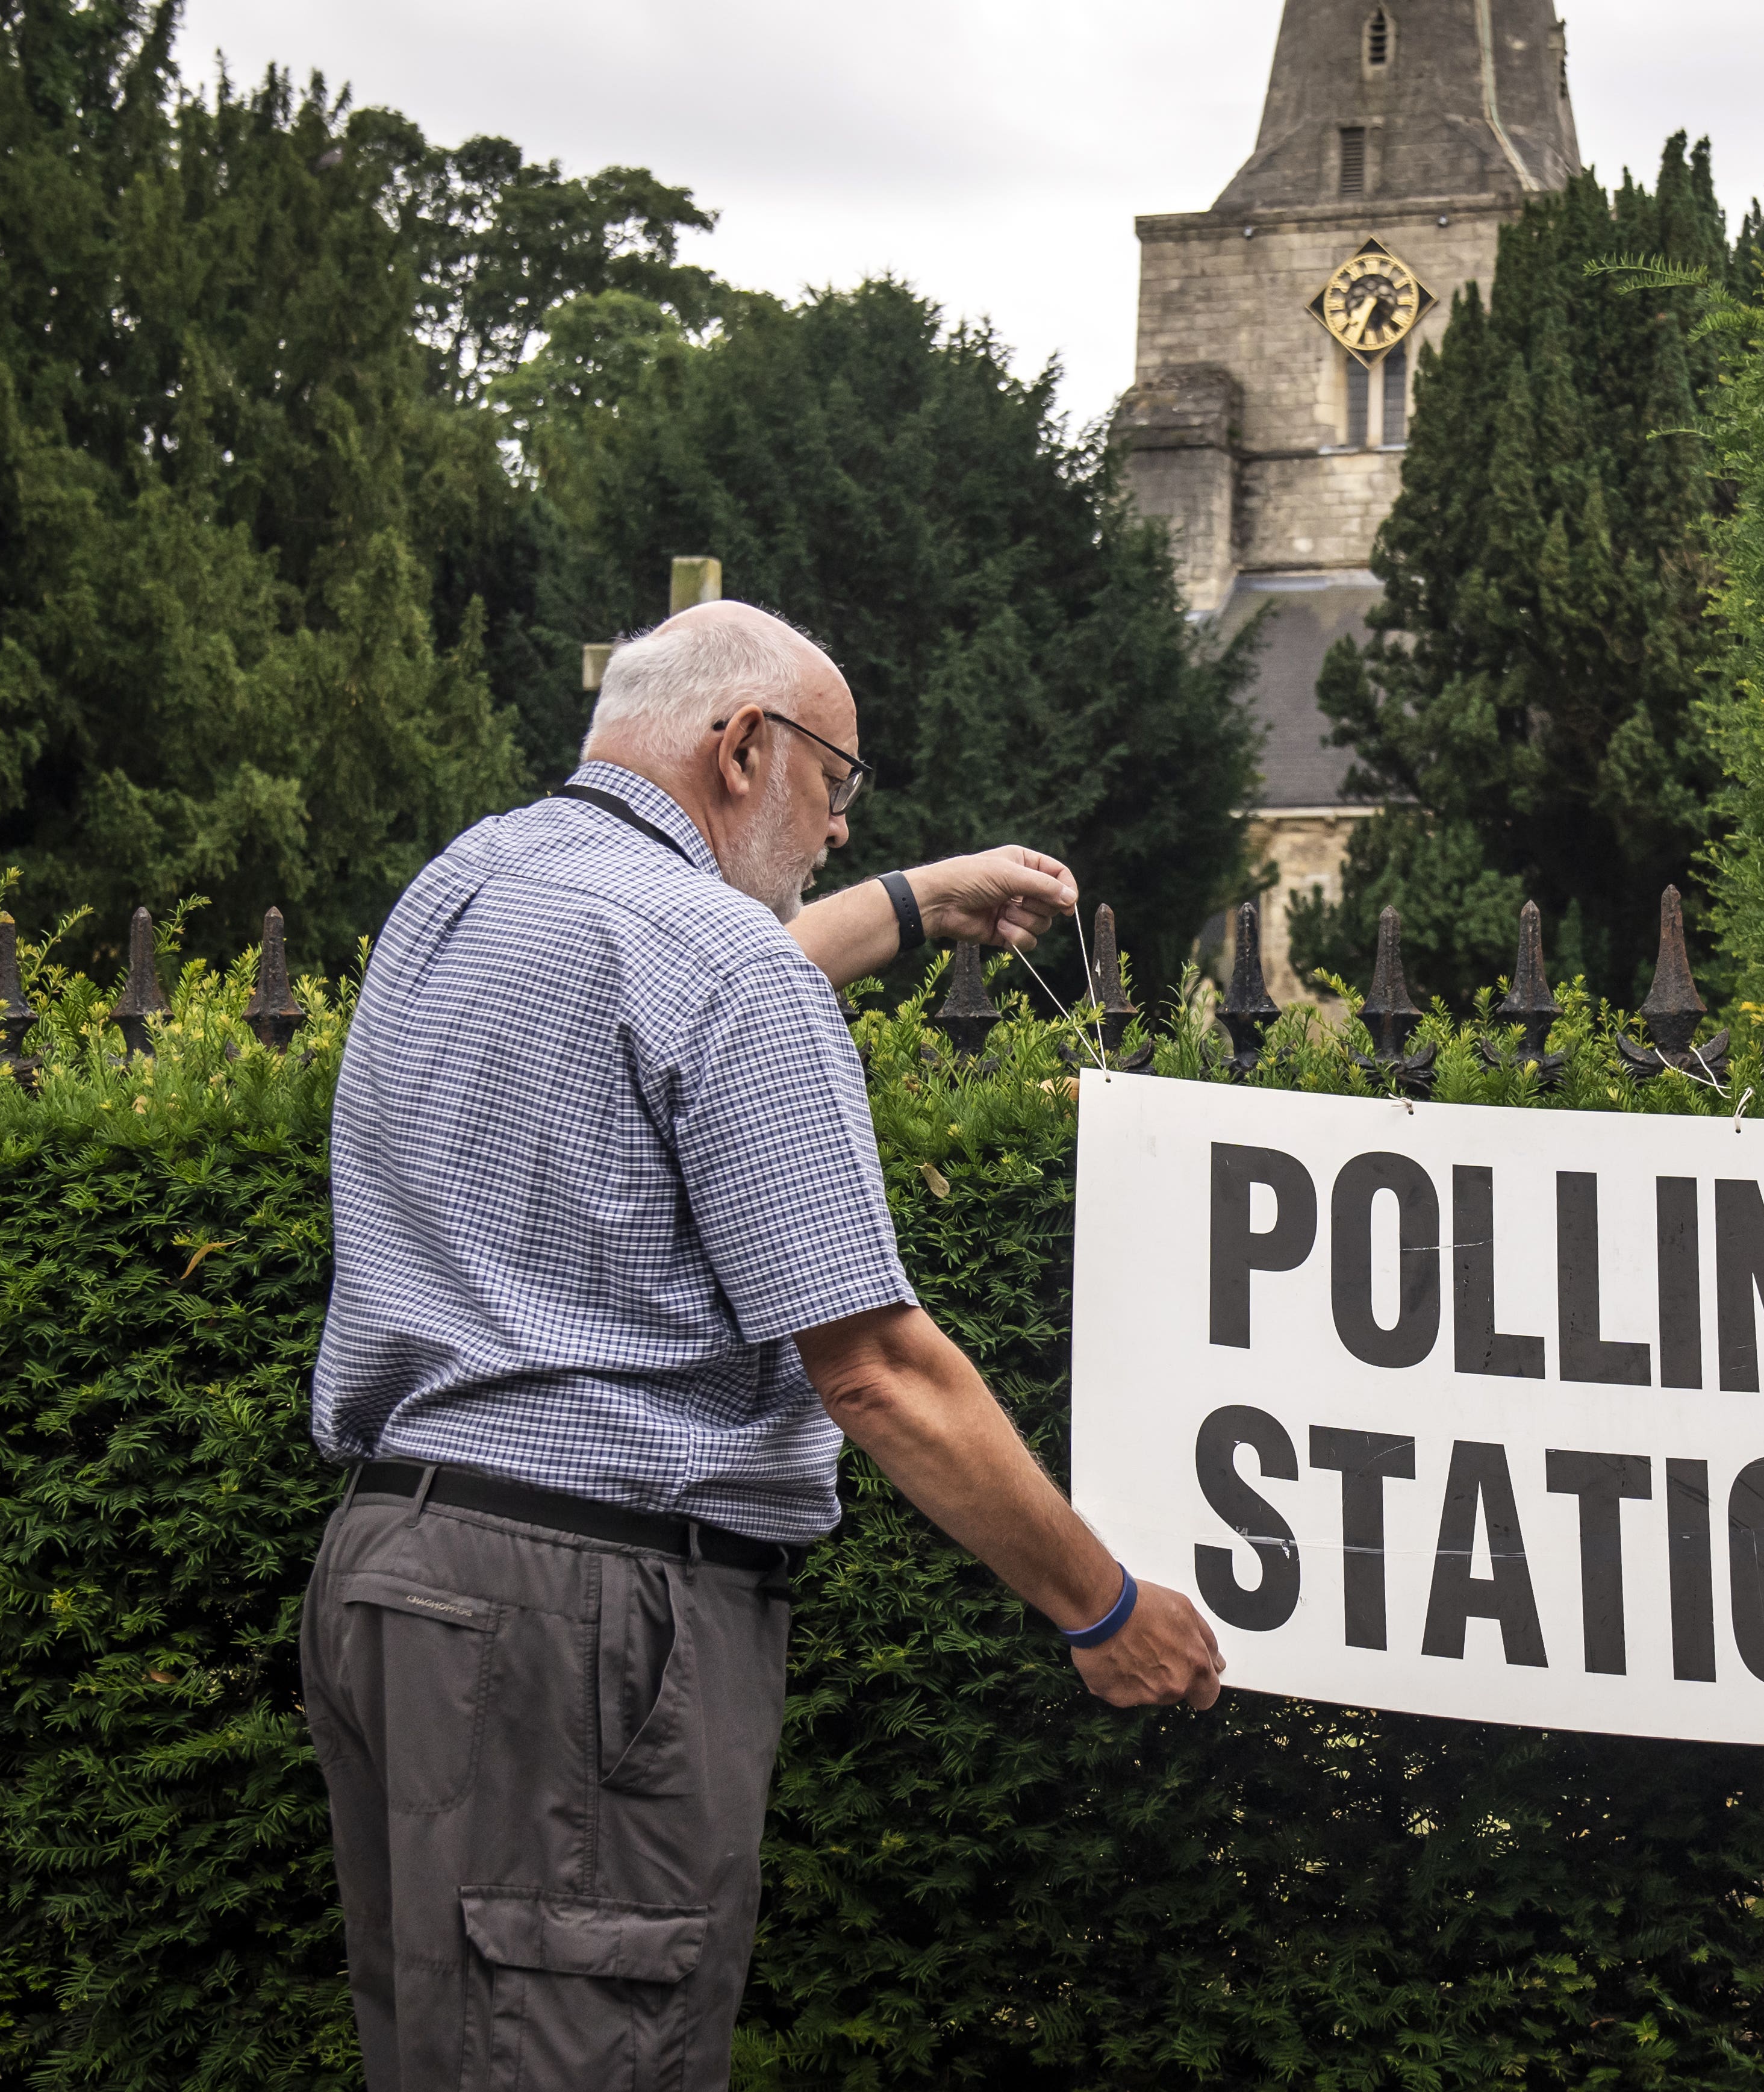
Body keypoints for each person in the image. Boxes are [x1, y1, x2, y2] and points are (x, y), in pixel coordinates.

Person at [300, 601, 1223, 2090]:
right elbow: (874, 1367)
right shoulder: (718, 964)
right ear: (744, 749)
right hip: (588, 1627)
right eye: (837, 786)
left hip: (396, 1586)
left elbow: (688, 989)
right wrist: (1102, 1606)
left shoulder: (467, 888)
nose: (840, 830)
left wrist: (916, 905)